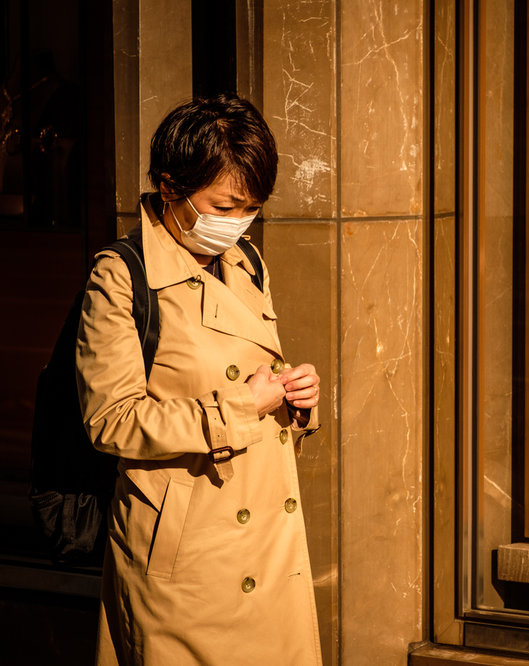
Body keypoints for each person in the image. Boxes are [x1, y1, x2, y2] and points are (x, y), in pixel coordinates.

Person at [75, 94, 322, 665]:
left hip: (265, 545)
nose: (237, 224)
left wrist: (295, 402)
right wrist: (240, 405)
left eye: (251, 209)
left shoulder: (247, 263)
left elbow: (256, 378)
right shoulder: (120, 276)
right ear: (169, 187)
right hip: (186, 561)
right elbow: (110, 420)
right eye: (224, 206)